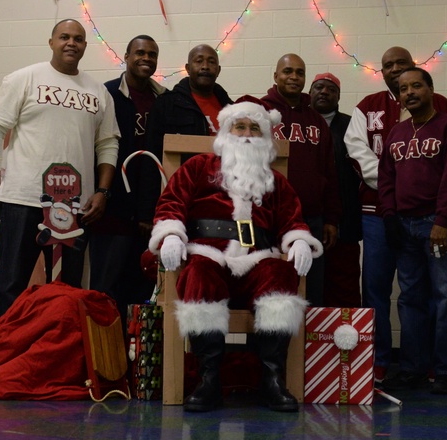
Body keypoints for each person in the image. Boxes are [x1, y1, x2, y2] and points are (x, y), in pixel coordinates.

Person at [149, 97, 322, 413]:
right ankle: (209, 378)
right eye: (239, 126)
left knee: (281, 274)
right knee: (198, 273)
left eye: (254, 128)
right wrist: (171, 233)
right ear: (226, 132)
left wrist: (298, 240)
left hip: (260, 258)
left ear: (264, 137)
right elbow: (171, 203)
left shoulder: (276, 182)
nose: (245, 134)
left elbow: (291, 219)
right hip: (209, 254)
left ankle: (271, 379)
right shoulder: (198, 167)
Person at [0, 19, 120, 328]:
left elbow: (108, 144)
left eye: (79, 39)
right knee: (10, 284)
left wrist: (102, 192)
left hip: (75, 209)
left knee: (66, 290)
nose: (71, 43)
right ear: (51, 42)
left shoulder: (98, 92)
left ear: (85, 45)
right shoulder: (24, 79)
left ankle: (58, 363)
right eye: (64, 37)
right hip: (24, 200)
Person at [344, 46, 447, 381]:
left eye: (401, 64)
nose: (394, 70)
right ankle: (377, 361)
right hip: (376, 213)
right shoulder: (367, 107)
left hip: (424, 215)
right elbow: (357, 150)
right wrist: (393, 182)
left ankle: (423, 363)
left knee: (424, 290)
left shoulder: (441, 107)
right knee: (376, 288)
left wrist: (404, 185)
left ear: (416, 69)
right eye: (388, 65)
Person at [378, 67, 447, 395]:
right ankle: (412, 368)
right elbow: (386, 178)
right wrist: (388, 217)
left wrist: (442, 220)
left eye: (416, 86)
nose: (410, 92)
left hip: (436, 224)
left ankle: (445, 371)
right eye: (403, 89)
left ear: (430, 89)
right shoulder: (397, 133)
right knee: (410, 298)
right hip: (403, 225)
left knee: (444, 297)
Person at [88, 35, 166, 323]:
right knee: (106, 288)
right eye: (140, 53)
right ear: (126, 56)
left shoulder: (164, 99)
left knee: (143, 288)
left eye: (152, 54)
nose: (146, 59)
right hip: (112, 209)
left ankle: (136, 360)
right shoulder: (106, 93)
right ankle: (103, 361)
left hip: (149, 214)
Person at [261, 54, 341, 307]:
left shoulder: (316, 120)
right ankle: (264, 347)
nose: (294, 77)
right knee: (269, 288)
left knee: (311, 289)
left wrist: (331, 218)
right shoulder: (261, 113)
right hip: (268, 219)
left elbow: (328, 171)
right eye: (287, 71)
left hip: (311, 219)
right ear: (276, 76)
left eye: (299, 72)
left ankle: (308, 346)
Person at [139, 44, 232, 222]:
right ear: (188, 68)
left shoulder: (231, 108)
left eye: (211, 62)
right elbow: (151, 158)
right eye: (199, 61)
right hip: (180, 200)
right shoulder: (166, 105)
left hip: (222, 200)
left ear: (218, 70)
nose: (205, 66)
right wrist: (147, 211)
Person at [309, 72, 362, 307]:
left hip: (345, 223)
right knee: (308, 288)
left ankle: (344, 341)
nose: (324, 92)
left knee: (344, 287)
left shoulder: (352, 126)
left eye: (331, 89)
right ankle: (307, 343)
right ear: (310, 93)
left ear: (339, 96)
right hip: (308, 221)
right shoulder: (300, 124)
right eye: (319, 87)